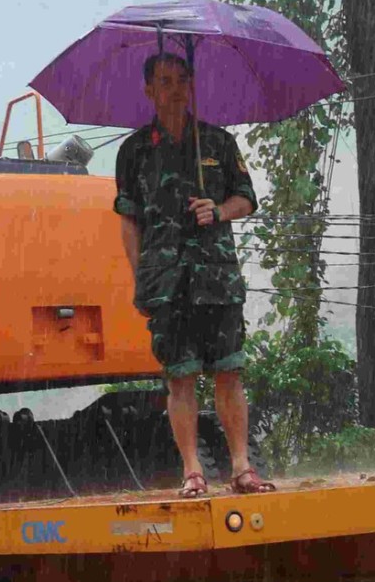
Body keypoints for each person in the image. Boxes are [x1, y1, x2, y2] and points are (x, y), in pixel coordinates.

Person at [114, 51, 271, 497]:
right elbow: (128, 220)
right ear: (149, 90)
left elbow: (247, 199)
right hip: (166, 282)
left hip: (216, 278)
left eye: (182, 79)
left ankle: (241, 466)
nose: (175, 88)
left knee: (229, 372)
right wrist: (140, 276)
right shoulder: (135, 151)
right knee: (180, 377)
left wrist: (218, 210)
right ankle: (193, 471)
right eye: (165, 81)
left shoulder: (218, 143)